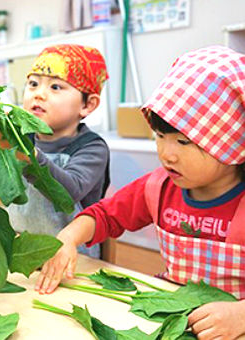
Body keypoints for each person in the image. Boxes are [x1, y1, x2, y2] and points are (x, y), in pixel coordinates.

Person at [36, 45, 245, 339]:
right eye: (160, 137)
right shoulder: (159, 188)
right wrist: (68, 238)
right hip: (176, 319)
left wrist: (241, 316)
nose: (166, 155)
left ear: (231, 142)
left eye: (183, 142)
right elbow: (104, 215)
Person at [0, 44, 110, 258]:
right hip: (19, 252)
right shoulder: (18, 135)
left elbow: (68, 193)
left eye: (55, 87)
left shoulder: (92, 148)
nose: (39, 94)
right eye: (33, 84)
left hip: (71, 258)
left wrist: (25, 155)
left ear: (87, 105)